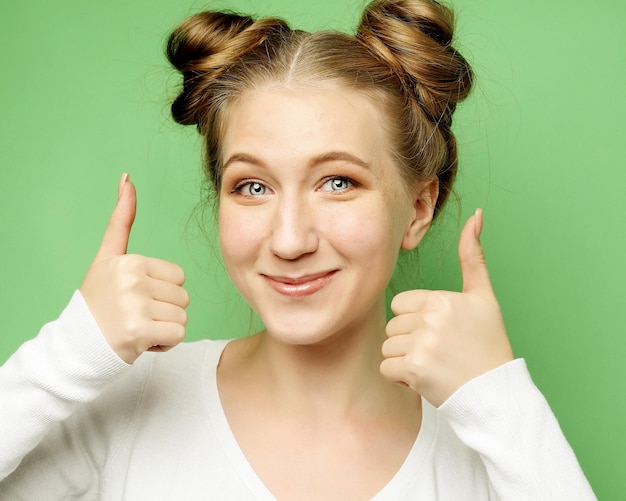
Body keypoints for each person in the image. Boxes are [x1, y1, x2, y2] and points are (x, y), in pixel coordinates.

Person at [0, 0, 596, 499]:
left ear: (417, 209)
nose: (288, 240)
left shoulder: (490, 447)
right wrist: (68, 355)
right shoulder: (131, 402)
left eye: (338, 182)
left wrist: (499, 398)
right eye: (252, 187)